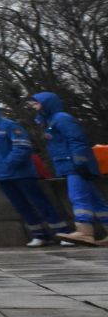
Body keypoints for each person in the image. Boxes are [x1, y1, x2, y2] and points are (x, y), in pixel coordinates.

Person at [0, 97, 66, 246]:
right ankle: (39, 234)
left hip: (20, 173)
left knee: (39, 202)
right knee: (20, 205)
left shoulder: (8, 125)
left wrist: (8, 163)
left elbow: (22, 146)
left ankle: (63, 233)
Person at [32, 92, 106, 244]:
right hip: (69, 164)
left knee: (77, 197)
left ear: (47, 104)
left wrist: (80, 162)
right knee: (95, 200)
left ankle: (84, 231)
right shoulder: (49, 121)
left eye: (37, 103)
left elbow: (77, 140)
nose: (34, 106)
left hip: (74, 164)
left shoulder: (61, 118)